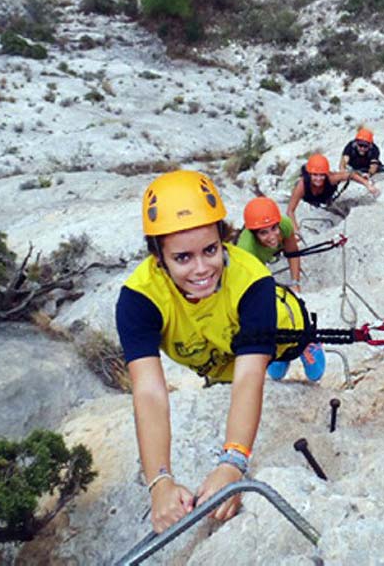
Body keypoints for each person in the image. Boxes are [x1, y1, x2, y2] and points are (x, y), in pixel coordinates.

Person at [115, 171, 309, 534]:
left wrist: (232, 462)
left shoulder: (252, 281)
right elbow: (149, 391)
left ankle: (303, 348)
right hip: (218, 359)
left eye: (210, 250)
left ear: (224, 241)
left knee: (284, 348)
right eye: (183, 257)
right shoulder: (139, 300)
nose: (202, 268)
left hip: (278, 332)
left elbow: (250, 375)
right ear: (158, 257)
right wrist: (160, 482)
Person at [236, 197, 325, 382]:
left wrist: (295, 282)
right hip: (253, 273)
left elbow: (292, 252)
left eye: (274, 229)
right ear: (254, 234)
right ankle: (280, 343)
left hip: (263, 268)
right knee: (275, 374)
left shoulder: (284, 224)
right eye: (263, 233)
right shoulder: (246, 250)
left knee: (315, 374)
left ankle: (307, 337)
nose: (272, 236)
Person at [286, 153, 379, 232]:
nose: (318, 179)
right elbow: (290, 210)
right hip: (309, 199)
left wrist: (368, 185)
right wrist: (295, 230)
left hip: (325, 197)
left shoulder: (331, 178)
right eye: (315, 175)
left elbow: (351, 175)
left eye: (322, 175)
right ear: (309, 174)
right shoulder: (302, 185)